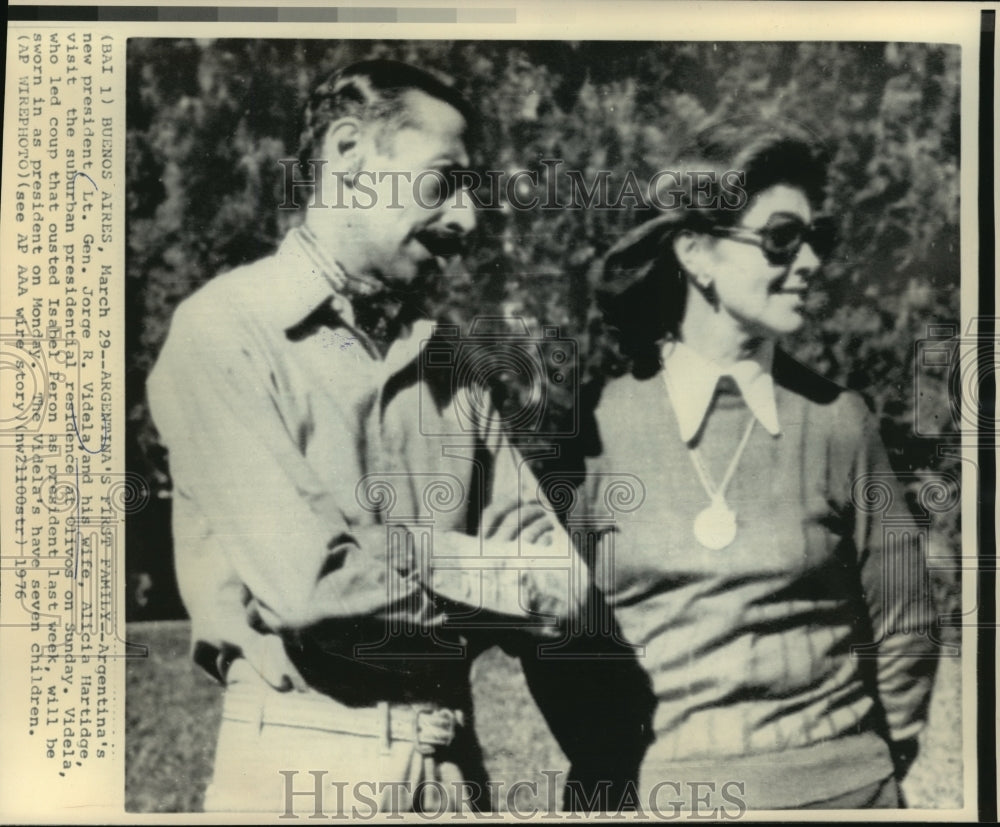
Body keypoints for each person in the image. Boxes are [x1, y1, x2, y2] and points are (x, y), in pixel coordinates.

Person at [147, 59, 578, 815]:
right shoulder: (224, 331)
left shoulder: (452, 360)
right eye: (444, 180)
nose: (467, 221)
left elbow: (561, 579)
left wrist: (446, 572)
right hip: (295, 772)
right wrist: (497, 578)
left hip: (456, 778)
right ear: (348, 153)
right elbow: (314, 584)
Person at [573, 118, 939, 810]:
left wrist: (864, 773)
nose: (809, 263)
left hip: (844, 794)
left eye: (815, 239)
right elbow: (561, 641)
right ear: (694, 252)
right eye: (780, 238)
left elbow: (906, 624)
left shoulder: (839, 420)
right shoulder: (596, 426)